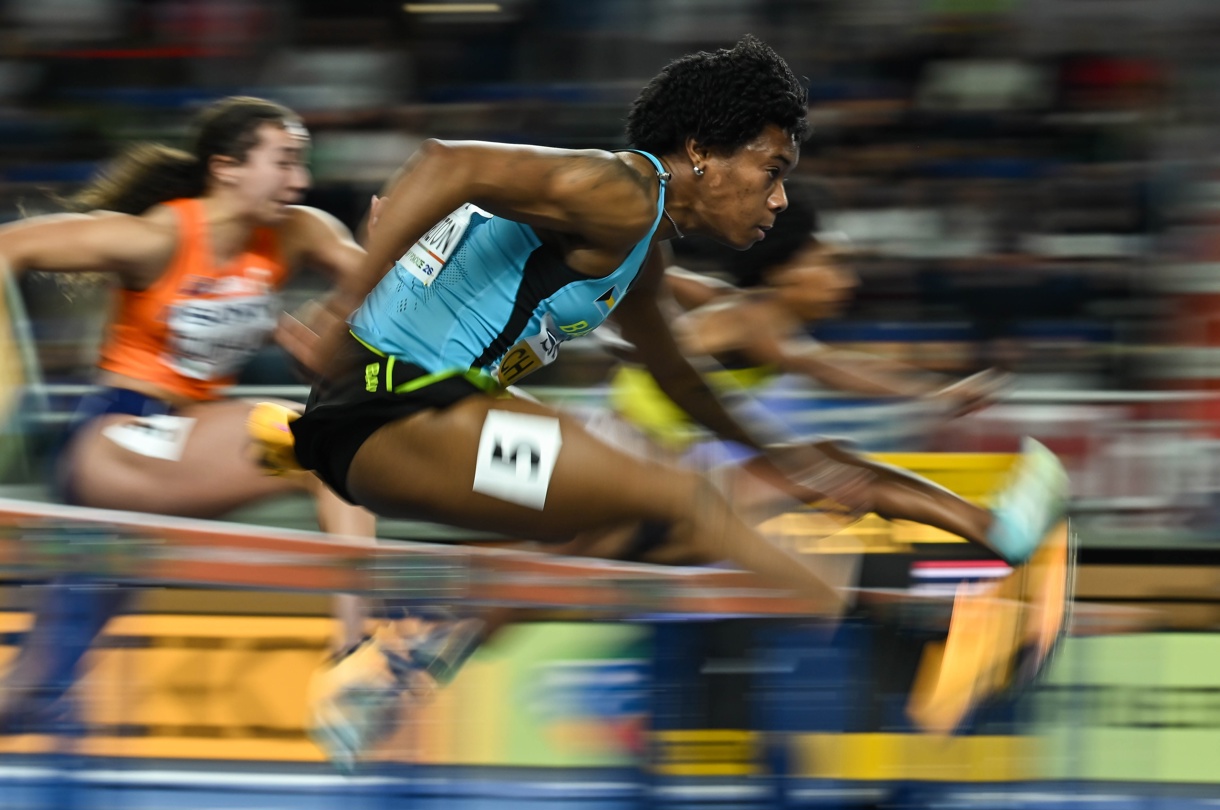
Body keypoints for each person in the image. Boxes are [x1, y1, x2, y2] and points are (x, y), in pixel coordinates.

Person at [262, 35, 1065, 765]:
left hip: (404, 423)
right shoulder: (616, 189)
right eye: (772, 170)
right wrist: (338, 312)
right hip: (391, 404)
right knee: (687, 500)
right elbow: (445, 162)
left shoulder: (637, 252)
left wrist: (784, 461)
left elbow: (681, 380)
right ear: (701, 154)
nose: (779, 200)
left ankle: (405, 651)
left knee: (663, 527)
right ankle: (912, 655)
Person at [0, 96, 375, 730]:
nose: (301, 180)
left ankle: (358, 642)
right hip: (116, 443)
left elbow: (384, 286)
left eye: (302, 164)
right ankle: (357, 645)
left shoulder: (298, 232)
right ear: (227, 167)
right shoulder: (159, 237)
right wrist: (12, 379)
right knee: (319, 443)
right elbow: (9, 246)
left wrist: (336, 328)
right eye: (284, 162)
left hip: (182, 446)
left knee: (34, 689)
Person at [606, 183, 1060, 561]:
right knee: (831, 466)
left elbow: (656, 276)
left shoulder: (727, 303)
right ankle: (991, 528)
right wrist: (935, 393)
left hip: (662, 467)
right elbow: (827, 367)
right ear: (783, 272)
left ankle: (989, 526)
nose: (848, 281)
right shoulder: (755, 317)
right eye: (830, 263)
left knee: (831, 460)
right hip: (634, 476)